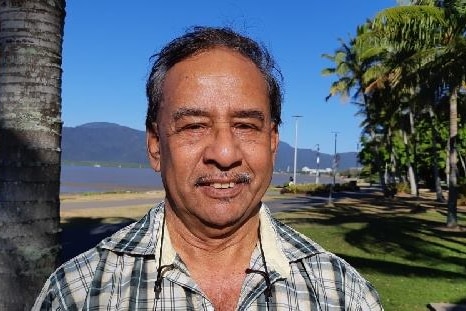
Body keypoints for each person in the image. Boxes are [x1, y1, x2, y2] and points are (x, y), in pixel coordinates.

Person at [33, 26, 383, 310]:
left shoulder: (342, 294)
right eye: (194, 126)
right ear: (156, 145)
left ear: (273, 143)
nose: (225, 153)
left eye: (246, 126)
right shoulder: (78, 294)